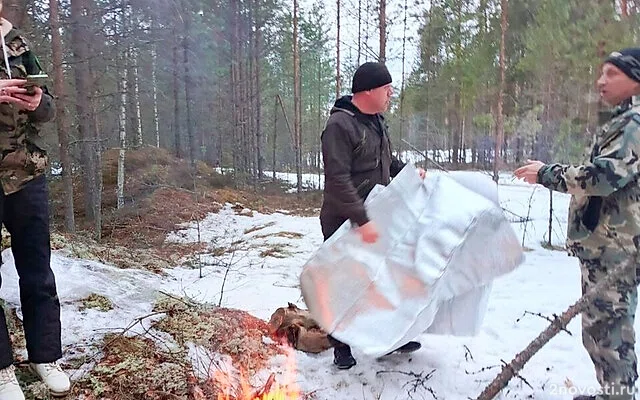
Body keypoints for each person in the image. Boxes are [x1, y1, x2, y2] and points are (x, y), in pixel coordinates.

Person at [514, 48, 640, 400]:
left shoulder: (633, 125)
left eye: (612, 73)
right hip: (605, 243)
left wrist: (547, 174)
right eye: (601, 73)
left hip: (617, 248)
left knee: (611, 332)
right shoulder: (620, 121)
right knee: (600, 330)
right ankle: (614, 394)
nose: (601, 81)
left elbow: (603, 177)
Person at [320, 61, 425, 370]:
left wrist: (407, 173)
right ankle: (341, 346)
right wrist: (360, 220)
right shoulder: (340, 126)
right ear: (367, 91)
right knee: (345, 282)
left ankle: (390, 337)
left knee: (387, 276)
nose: (391, 94)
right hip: (344, 219)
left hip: (376, 213)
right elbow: (337, 180)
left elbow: (385, 160)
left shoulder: (376, 120)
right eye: (386, 89)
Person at [0, 5, 70, 400]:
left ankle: (46, 357)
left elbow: (50, 108)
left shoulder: (18, 41)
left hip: (27, 174)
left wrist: (37, 101)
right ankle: (2, 369)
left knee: (38, 271)